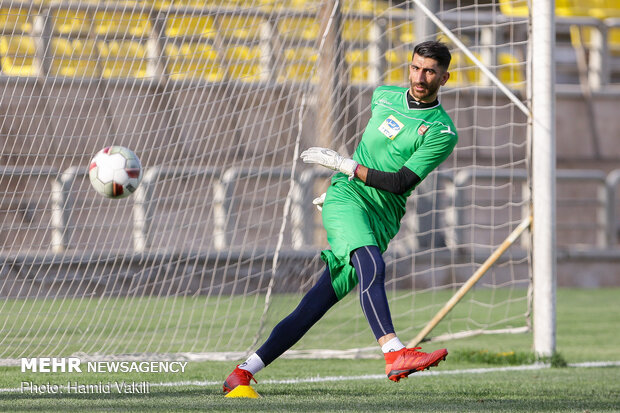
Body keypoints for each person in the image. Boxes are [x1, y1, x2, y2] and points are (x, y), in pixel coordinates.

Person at [223, 40, 458, 393]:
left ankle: (243, 371)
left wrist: (344, 163)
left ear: (444, 77)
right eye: (415, 68)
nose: (420, 77)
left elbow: (399, 182)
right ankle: (395, 353)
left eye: (429, 71)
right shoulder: (384, 96)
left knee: (314, 306)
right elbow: (372, 153)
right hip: (348, 195)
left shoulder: (442, 131)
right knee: (372, 264)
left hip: (382, 215)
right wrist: (339, 192)